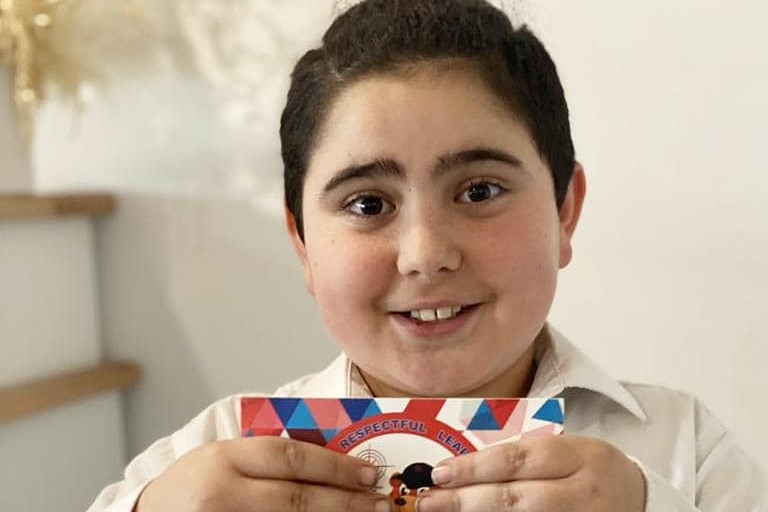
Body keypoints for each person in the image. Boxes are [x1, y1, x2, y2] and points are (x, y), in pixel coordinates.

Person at [88, 1, 767, 511]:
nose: (425, 254)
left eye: (478, 190)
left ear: (564, 211)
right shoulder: (216, 454)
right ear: (302, 243)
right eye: (366, 204)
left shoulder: (686, 451)